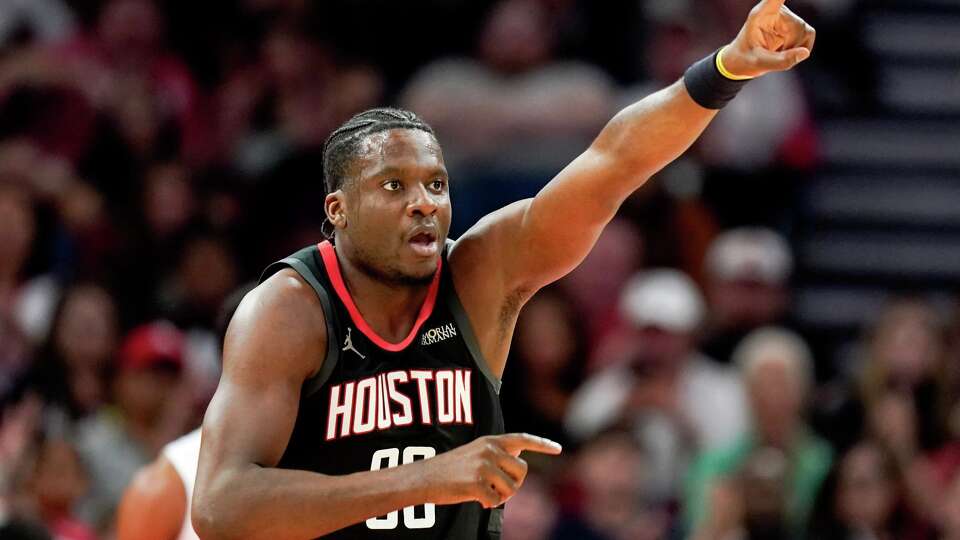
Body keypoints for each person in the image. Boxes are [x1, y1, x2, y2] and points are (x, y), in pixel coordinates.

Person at [192, 2, 816, 538]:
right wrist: (422, 480)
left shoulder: (479, 274)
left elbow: (614, 161)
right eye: (394, 185)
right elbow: (220, 508)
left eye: (436, 183)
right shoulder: (290, 310)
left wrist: (727, 67)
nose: (424, 203)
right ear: (339, 209)